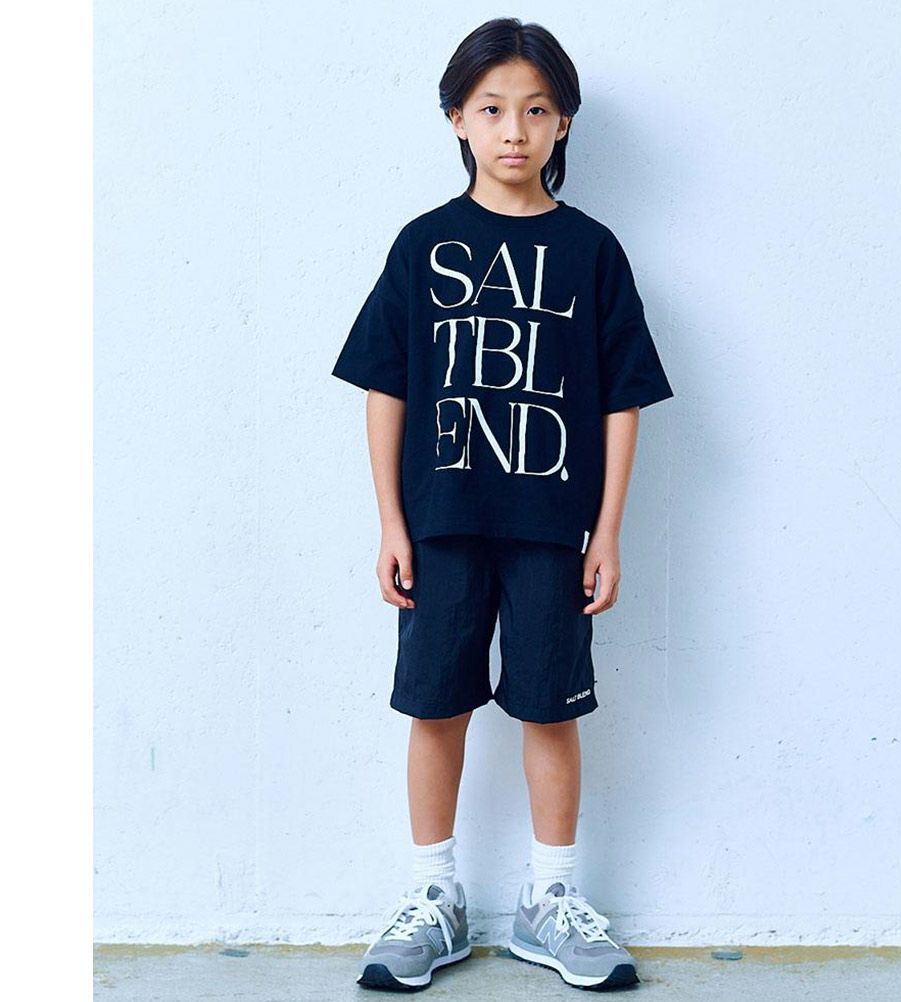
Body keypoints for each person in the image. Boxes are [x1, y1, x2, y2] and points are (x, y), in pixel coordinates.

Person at [331, 17, 674, 992]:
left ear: (563, 122)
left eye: (535, 109)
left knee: (548, 709)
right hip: (440, 525)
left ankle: (549, 899)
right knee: (435, 703)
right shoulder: (423, 246)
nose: (514, 130)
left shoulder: (591, 251)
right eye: (491, 109)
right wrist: (391, 523)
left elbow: (620, 400)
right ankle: (432, 897)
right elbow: (385, 388)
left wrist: (607, 531)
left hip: (551, 533)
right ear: (457, 119)